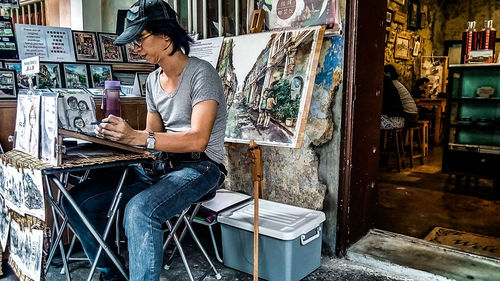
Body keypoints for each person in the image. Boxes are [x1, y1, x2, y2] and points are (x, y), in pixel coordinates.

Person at [61, 1, 227, 281]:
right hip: (159, 168)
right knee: (77, 200)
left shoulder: (202, 74)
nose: (135, 48)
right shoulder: (152, 81)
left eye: (140, 39)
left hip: (201, 168)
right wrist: (115, 135)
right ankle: (112, 275)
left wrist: (139, 137)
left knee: (140, 210)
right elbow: (151, 139)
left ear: (166, 35)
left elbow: (198, 140)